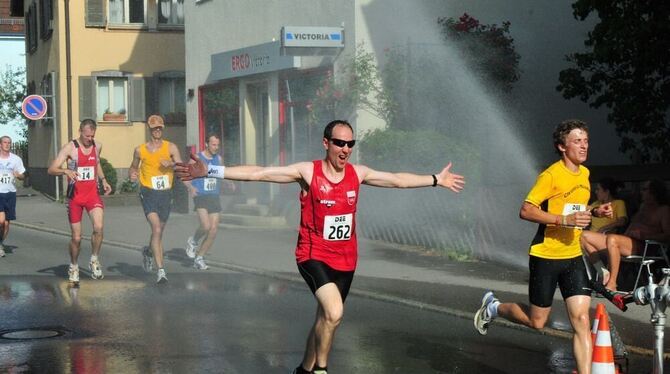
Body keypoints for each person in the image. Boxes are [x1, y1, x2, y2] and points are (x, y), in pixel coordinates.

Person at [175, 120, 465, 374]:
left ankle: (304, 369)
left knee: (325, 320)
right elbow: (260, 173)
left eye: (350, 144)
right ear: (326, 143)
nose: (345, 149)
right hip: (313, 256)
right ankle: (321, 370)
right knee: (335, 312)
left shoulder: (358, 173)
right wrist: (212, 170)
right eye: (339, 143)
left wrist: (436, 180)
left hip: (346, 261)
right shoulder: (308, 173)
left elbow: (397, 180)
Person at [473, 120, 612, 374]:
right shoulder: (550, 175)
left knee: (581, 320)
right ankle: (493, 307)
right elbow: (526, 210)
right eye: (577, 141)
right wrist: (564, 220)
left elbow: (574, 208)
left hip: (572, 257)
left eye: (586, 141)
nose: (584, 146)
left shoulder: (585, 174)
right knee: (537, 322)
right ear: (562, 146)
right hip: (546, 255)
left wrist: (595, 210)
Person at [47, 119, 112, 284]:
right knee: (76, 238)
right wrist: (65, 170)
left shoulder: (98, 145)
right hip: (75, 197)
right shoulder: (70, 148)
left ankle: (94, 259)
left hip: (92, 195)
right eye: (87, 135)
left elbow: (96, 163)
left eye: (92, 135)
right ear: (80, 131)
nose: (89, 138)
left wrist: (103, 180)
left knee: (99, 227)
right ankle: (74, 266)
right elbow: (51, 169)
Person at [581, 180, 670, 291]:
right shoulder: (643, 207)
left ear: (655, 192)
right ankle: (602, 272)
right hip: (626, 241)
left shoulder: (663, 210)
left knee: (612, 238)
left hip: (643, 246)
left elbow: (667, 235)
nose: (641, 192)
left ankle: (612, 283)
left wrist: (645, 235)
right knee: (583, 236)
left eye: (645, 189)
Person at [128, 114, 182, 284]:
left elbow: (182, 165)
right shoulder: (140, 150)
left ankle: (148, 251)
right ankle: (161, 271)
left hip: (165, 194)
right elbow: (133, 167)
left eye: (160, 128)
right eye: (154, 128)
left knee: (159, 231)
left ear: (162, 129)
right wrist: (132, 174)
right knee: (157, 228)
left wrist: (172, 164)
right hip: (148, 192)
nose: (157, 131)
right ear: (149, 130)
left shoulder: (171, 147)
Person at [184, 134, 230, 270]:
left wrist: (228, 183)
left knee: (213, 230)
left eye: (217, 145)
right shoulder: (197, 159)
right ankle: (193, 241)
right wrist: (191, 187)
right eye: (213, 144)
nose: (216, 147)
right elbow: (185, 176)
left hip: (214, 196)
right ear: (206, 144)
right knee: (205, 226)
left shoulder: (218, 159)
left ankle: (199, 258)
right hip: (200, 195)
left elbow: (222, 174)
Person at [0, 136, 26, 257]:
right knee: (1, 221)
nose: (7, 144)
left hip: (10, 193)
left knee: (6, 223)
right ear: (0, 144)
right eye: (5, 142)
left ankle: (0, 243)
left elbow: (22, 176)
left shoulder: (16, 159)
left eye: (9, 143)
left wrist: (18, 175)